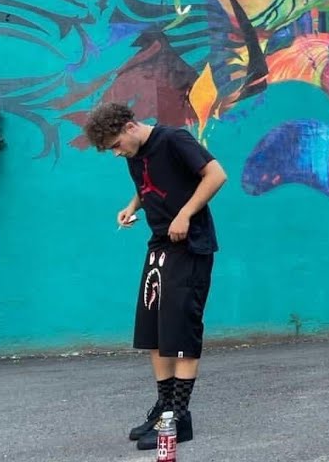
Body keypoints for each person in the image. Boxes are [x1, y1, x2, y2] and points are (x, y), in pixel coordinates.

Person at [84, 102, 228, 450]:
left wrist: (185, 215)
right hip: (160, 245)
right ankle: (164, 410)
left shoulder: (174, 139)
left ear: (129, 127)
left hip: (190, 245)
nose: (117, 153)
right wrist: (132, 206)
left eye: (115, 145)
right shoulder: (135, 152)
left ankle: (179, 418)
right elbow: (149, 184)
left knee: (180, 329)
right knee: (153, 329)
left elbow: (216, 175)